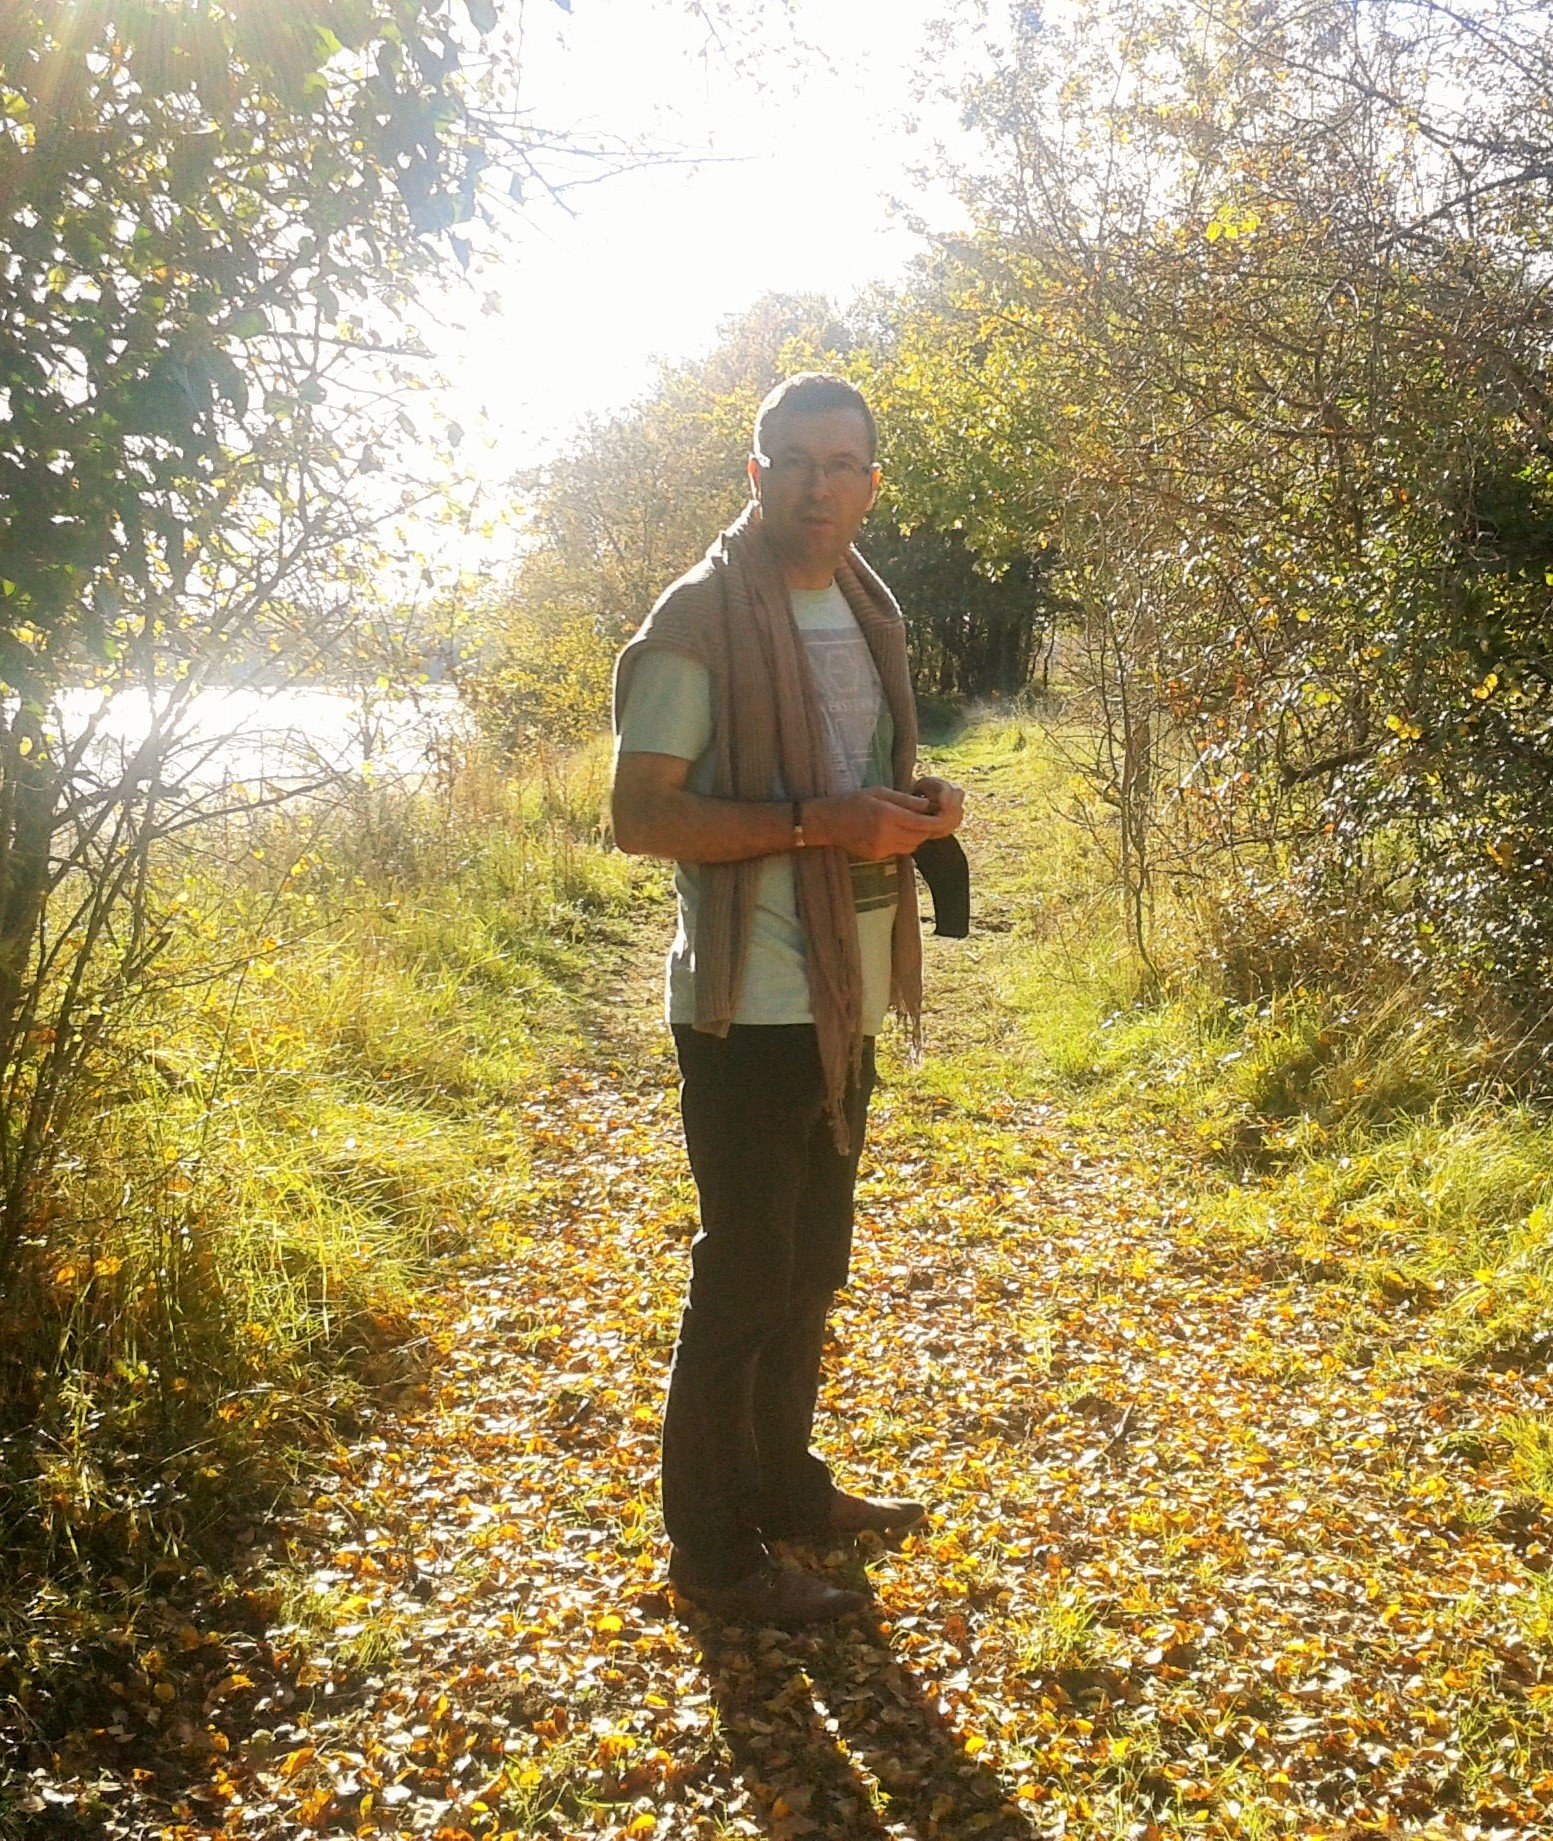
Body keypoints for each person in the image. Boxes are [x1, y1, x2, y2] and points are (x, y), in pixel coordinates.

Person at [611, 372, 967, 1627]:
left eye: (843, 463)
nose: (820, 485)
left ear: (873, 481)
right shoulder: (696, 620)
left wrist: (915, 811)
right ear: (754, 473)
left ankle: (784, 1491)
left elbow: (856, 783)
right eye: (794, 462)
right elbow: (638, 815)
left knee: (810, 1266)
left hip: (843, 992)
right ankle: (709, 1558)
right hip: (742, 1000)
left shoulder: (865, 610)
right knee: (746, 1276)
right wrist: (824, 820)